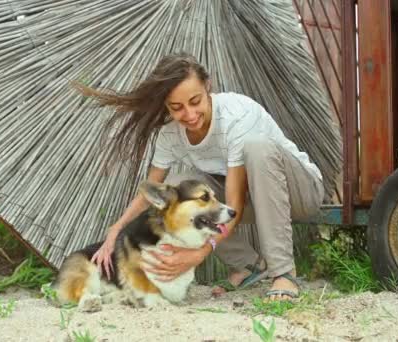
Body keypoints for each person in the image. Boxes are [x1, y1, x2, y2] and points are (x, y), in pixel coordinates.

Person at [76, 52, 324, 301]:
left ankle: (283, 272)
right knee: (174, 187)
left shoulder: (237, 115)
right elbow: (151, 193)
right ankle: (249, 265)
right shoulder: (170, 135)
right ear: (166, 106)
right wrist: (115, 231)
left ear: (208, 87)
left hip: (300, 193)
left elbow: (234, 204)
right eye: (177, 108)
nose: (190, 114)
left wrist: (199, 254)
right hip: (255, 200)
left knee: (257, 147)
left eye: (195, 101)